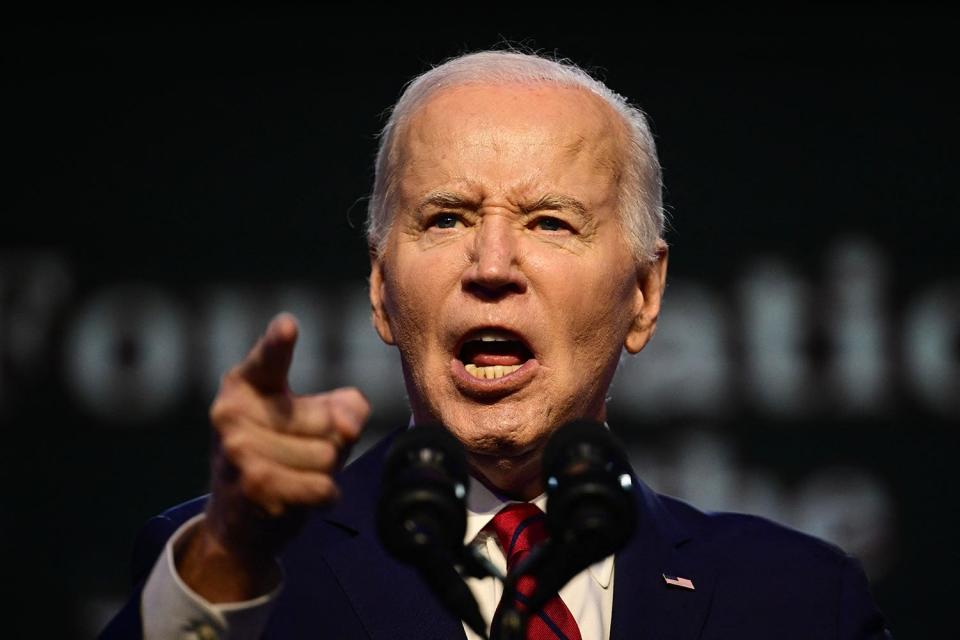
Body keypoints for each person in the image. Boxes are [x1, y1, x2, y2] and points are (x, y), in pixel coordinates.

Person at [101, 50, 891, 639]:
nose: (491, 267)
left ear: (645, 296)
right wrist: (230, 558)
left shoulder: (798, 601)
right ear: (381, 291)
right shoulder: (235, 570)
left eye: (550, 221)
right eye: (445, 218)